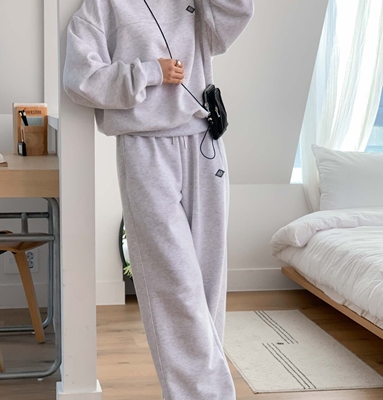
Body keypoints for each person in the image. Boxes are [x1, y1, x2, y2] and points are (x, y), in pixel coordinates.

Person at [63, 1, 254, 398]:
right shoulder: (102, 7)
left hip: (204, 143)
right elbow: (80, 80)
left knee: (208, 282)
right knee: (174, 281)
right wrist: (150, 72)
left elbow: (238, 14)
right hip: (145, 146)